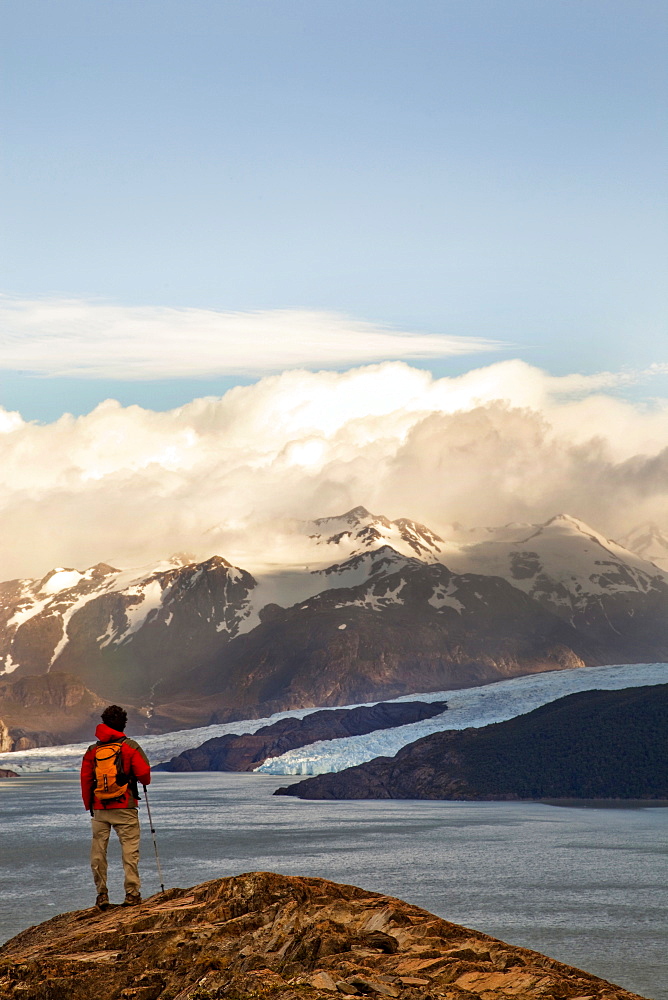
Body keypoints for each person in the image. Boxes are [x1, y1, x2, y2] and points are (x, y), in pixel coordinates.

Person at [80, 704, 151, 910]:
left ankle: (102, 894)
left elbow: (85, 780)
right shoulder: (129, 746)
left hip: (100, 808)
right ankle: (132, 894)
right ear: (123, 724)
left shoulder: (93, 750)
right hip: (125, 806)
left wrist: (90, 806)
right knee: (129, 851)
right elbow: (145, 775)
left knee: (98, 852)